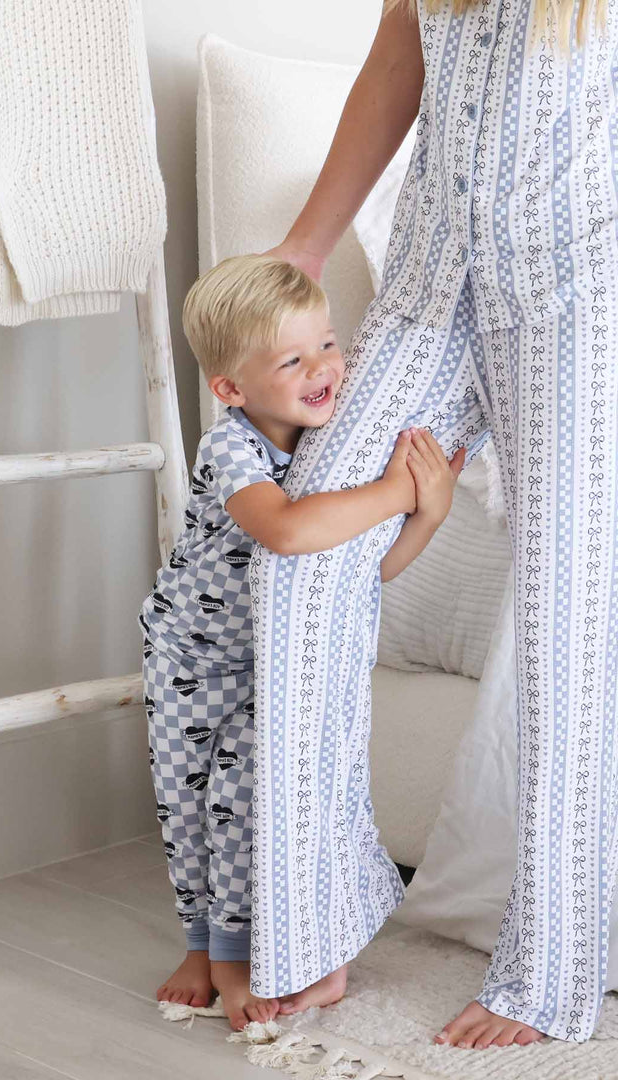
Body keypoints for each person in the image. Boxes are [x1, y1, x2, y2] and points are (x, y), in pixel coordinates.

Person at [248, 0, 618, 1049]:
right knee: (303, 557)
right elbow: (401, 57)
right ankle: (316, 923)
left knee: (570, 628)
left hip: (586, 291)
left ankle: (549, 974)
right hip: (429, 281)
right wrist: (308, 241)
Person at [139, 253, 466, 1031]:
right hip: (192, 656)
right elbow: (286, 533)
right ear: (232, 389)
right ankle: (202, 947)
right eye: (293, 359)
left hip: (273, 666)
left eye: (328, 343)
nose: (323, 367)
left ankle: (240, 953)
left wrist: (430, 514)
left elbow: (363, 573)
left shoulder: (332, 448)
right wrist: (395, 491)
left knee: (245, 800)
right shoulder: (234, 450)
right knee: (187, 807)